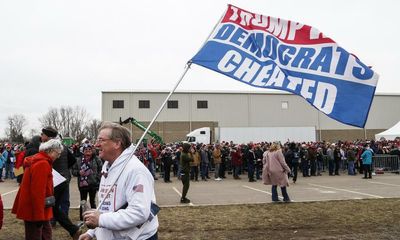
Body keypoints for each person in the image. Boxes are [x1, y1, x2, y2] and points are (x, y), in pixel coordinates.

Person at [80, 122, 158, 240]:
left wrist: (100, 220)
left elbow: (139, 212)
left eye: (101, 140)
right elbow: (106, 205)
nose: (96, 145)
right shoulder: (108, 166)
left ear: (117, 143)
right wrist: (93, 232)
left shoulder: (136, 171)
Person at [12, 139, 63, 240]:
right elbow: (38, 192)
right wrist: (39, 216)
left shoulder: (39, 161)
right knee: (38, 235)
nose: (58, 156)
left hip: (36, 208)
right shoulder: (42, 164)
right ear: (51, 151)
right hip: (36, 210)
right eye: (58, 153)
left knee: (43, 234)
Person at [41, 126, 81, 239]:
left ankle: (71, 229)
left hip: (55, 180)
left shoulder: (49, 147)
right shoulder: (62, 146)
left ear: (48, 136)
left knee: (51, 205)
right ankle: (73, 230)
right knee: (56, 205)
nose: (41, 136)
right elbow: (72, 159)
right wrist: (65, 170)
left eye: (43, 134)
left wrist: (57, 170)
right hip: (64, 178)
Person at [72, 144, 103, 221]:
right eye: (86, 150)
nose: (88, 151)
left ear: (92, 151)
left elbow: (101, 169)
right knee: (83, 201)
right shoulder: (78, 160)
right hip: (82, 185)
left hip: (93, 184)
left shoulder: (96, 159)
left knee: (92, 201)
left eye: (89, 149)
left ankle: (94, 217)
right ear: (83, 151)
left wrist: (97, 178)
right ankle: (82, 218)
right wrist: (79, 172)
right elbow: (73, 171)